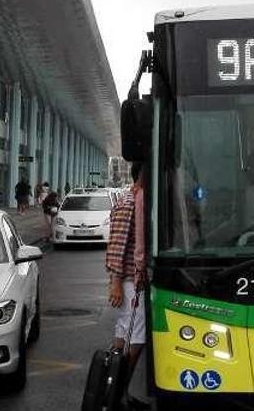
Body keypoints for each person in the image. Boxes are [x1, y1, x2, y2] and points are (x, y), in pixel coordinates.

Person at [105, 163, 147, 409]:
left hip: (133, 281)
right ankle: (118, 392)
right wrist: (116, 283)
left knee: (124, 335)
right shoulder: (129, 202)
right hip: (130, 281)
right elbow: (117, 247)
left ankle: (117, 394)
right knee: (135, 338)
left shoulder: (137, 199)